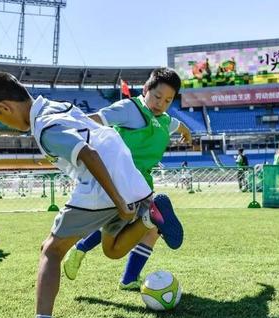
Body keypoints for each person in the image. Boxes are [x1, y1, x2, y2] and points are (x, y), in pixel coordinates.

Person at [0, 71, 184, 318]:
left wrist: (119, 202)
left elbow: (88, 154)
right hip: (128, 172)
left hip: (102, 182)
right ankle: (150, 217)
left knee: (51, 250)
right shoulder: (55, 105)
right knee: (112, 249)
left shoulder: (46, 127)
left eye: (0, 120)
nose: (6, 124)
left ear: (4, 107)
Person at [63, 67, 192, 290]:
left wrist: (186, 131)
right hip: (118, 181)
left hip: (142, 183)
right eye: (157, 96)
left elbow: (177, 124)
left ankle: (129, 278)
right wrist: (65, 133)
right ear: (145, 90)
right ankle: (80, 249)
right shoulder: (129, 108)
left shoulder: (164, 120)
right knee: (120, 225)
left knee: (152, 227)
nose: (161, 103)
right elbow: (94, 120)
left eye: (168, 100)